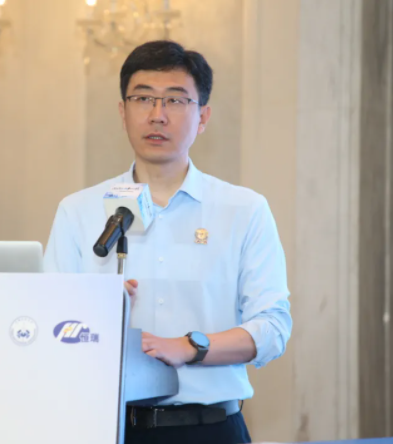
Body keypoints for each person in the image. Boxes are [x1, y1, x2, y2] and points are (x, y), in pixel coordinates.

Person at [44, 40, 292, 444]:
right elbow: (50, 324)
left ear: (203, 116)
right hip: (105, 427)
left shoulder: (244, 210)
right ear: (123, 112)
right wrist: (94, 315)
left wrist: (192, 347)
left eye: (175, 100)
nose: (157, 115)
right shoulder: (79, 211)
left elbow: (273, 327)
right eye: (143, 98)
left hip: (211, 429)